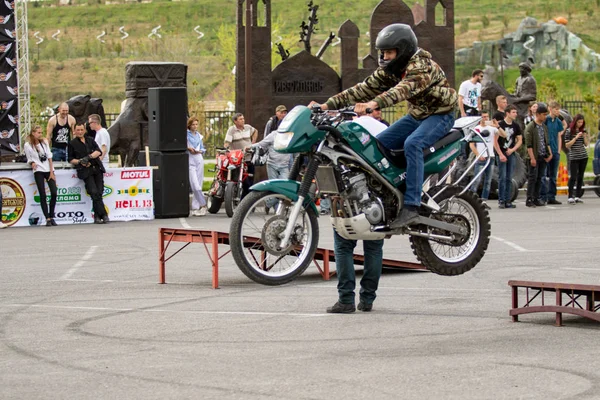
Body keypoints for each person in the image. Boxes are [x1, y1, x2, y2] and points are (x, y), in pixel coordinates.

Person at [312, 23, 457, 229]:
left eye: (389, 52)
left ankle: (412, 206)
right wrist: (325, 105)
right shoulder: (391, 69)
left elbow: (402, 91)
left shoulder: (421, 66)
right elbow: (362, 89)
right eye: (383, 52)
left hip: (440, 114)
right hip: (417, 114)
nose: (385, 56)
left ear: (404, 50)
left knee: (413, 144)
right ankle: (388, 193)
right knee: (374, 146)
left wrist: (375, 103)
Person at [326, 230, 384, 313]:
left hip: (349, 219)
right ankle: (367, 300)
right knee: (374, 250)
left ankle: (346, 300)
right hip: (375, 218)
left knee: (343, 248)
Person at [253, 106, 293, 213]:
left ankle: (272, 204)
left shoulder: (290, 135)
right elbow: (264, 141)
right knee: (274, 186)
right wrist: (252, 147)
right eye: (281, 112)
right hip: (272, 163)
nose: (284, 114)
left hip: (285, 163)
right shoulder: (272, 127)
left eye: (285, 112)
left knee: (284, 187)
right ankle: (275, 208)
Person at [68, 123, 109, 224]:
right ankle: (104, 214)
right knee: (93, 192)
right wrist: (81, 161)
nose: (80, 132)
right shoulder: (72, 143)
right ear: (74, 131)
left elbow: (98, 151)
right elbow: (70, 159)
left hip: (97, 168)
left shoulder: (90, 140)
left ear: (85, 130)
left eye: (82, 130)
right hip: (85, 171)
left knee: (99, 192)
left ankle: (97, 216)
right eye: (78, 130)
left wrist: (88, 157)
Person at [24, 126, 58, 226]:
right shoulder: (28, 145)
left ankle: (52, 215)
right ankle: (47, 217)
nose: (40, 134)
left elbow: (49, 156)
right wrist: (32, 163)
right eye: (38, 132)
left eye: (41, 132)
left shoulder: (44, 142)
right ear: (33, 133)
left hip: (48, 169)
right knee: (42, 194)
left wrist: (52, 172)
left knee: (54, 192)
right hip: (38, 169)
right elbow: (29, 158)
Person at [468, 112, 500, 209]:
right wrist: (478, 154)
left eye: (486, 117)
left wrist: (497, 126)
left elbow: (503, 135)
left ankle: (484, 201)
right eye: (483, 117)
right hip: (481, 157)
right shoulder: (477, 129)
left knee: (488, 181)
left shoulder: (491, 128)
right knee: (477, 179)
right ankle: (471, 200)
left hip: (490, 156)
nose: (485, 119)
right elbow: (471, 144)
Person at [524, 103, 552, 208]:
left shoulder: (544, 127)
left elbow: (546, 141)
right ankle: (529, 198)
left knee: (540, 177)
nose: (545, 117)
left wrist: (550, 153)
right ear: (538, 114)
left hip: (542, 155)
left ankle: (536, 197)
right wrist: (532, 158)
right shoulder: (531, 126)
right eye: (544, 114)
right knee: (533, 178)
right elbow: (529, 144)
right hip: (534, 156)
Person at [224, 113, 258, 197]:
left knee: (250, 180)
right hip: (238, 159)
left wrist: (253, 143)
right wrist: (226, 148)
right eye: (240, 119)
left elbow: (255, 131)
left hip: (249, 157)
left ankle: (247, 201)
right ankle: (243, 200)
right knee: (243, 181)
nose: (243, 120)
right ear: (235, 121)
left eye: (243, 118)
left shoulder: (248, 127)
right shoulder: (232, 130)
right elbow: (227, 142)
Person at [496, 105, 522, 209]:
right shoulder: (500, 125)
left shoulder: (516, 126)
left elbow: (519, 140)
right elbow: (495, 141)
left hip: (511, 153)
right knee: (502, 177)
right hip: (502, 152)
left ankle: (508, 200)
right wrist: (500, 154)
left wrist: (513, 149)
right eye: (513, 112)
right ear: (507, 113)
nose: (515, 114)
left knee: (509, 178)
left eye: (516, 112)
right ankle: (501, 200)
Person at [540, 101, 565, 205]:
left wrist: (558, 151)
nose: (557, 111)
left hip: (555, 151)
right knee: (543, 175)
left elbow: (559, 136)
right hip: (546, 151)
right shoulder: (546, 120)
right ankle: (543, 196)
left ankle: (551, 196)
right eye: (555, 109)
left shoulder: (558, 121)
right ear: (550, 109)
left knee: (553, 176)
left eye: (558, 109)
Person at [564, 114, 590, 204]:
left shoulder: (583, 131)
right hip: (574, 156)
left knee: (580, 176)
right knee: (573, 177)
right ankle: (570, 196)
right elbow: (567, 145)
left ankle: (578, 196)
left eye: (582, 122)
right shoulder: (569, 131)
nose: (580, 124)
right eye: (579, 122)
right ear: (575, 122)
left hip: (583, 156)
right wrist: (576, 137)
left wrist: (585, 136)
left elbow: (586, 144)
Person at [187, 117, 207, 216]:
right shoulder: (186, 134)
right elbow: (184, 145)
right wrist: (189, 148)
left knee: (199, 182)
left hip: (199, 158)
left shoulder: (199, 136)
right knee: (195, 184)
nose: (195, 126)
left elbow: (203, 148)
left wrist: (201, 151)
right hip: (190, 159)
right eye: (193, 124)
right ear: (189, 125)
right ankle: (203, 204)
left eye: (196, 124)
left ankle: (196, 207)